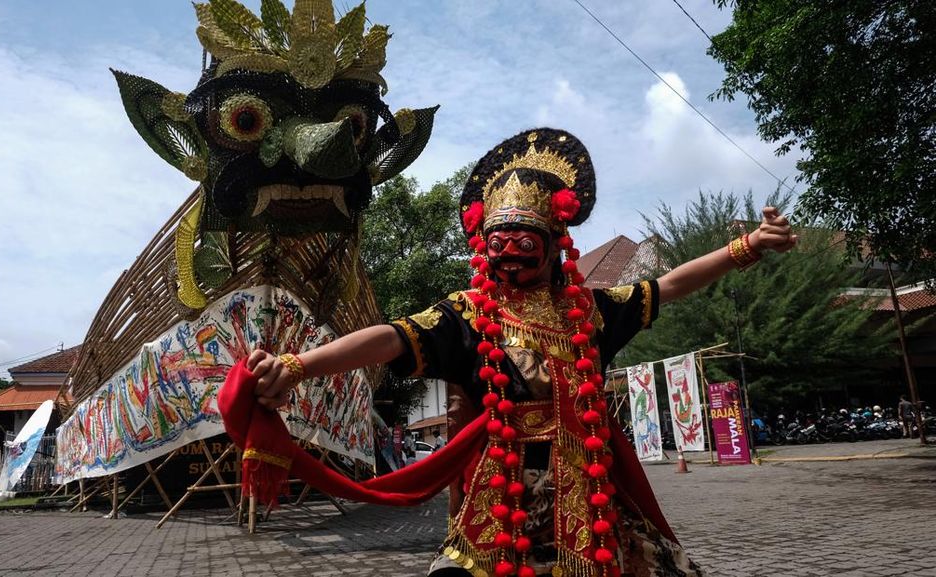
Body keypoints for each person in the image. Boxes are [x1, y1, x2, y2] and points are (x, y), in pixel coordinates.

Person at [219, 128, 796, 577]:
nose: (510, 256)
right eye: (498, 245)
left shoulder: (591, 311)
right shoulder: (468, 313)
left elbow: (668, 284)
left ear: (553, 247)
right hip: (502, 500)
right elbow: (390, 336)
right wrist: (299, 366)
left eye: (525, 244)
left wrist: (744, 247)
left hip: (592, 498)